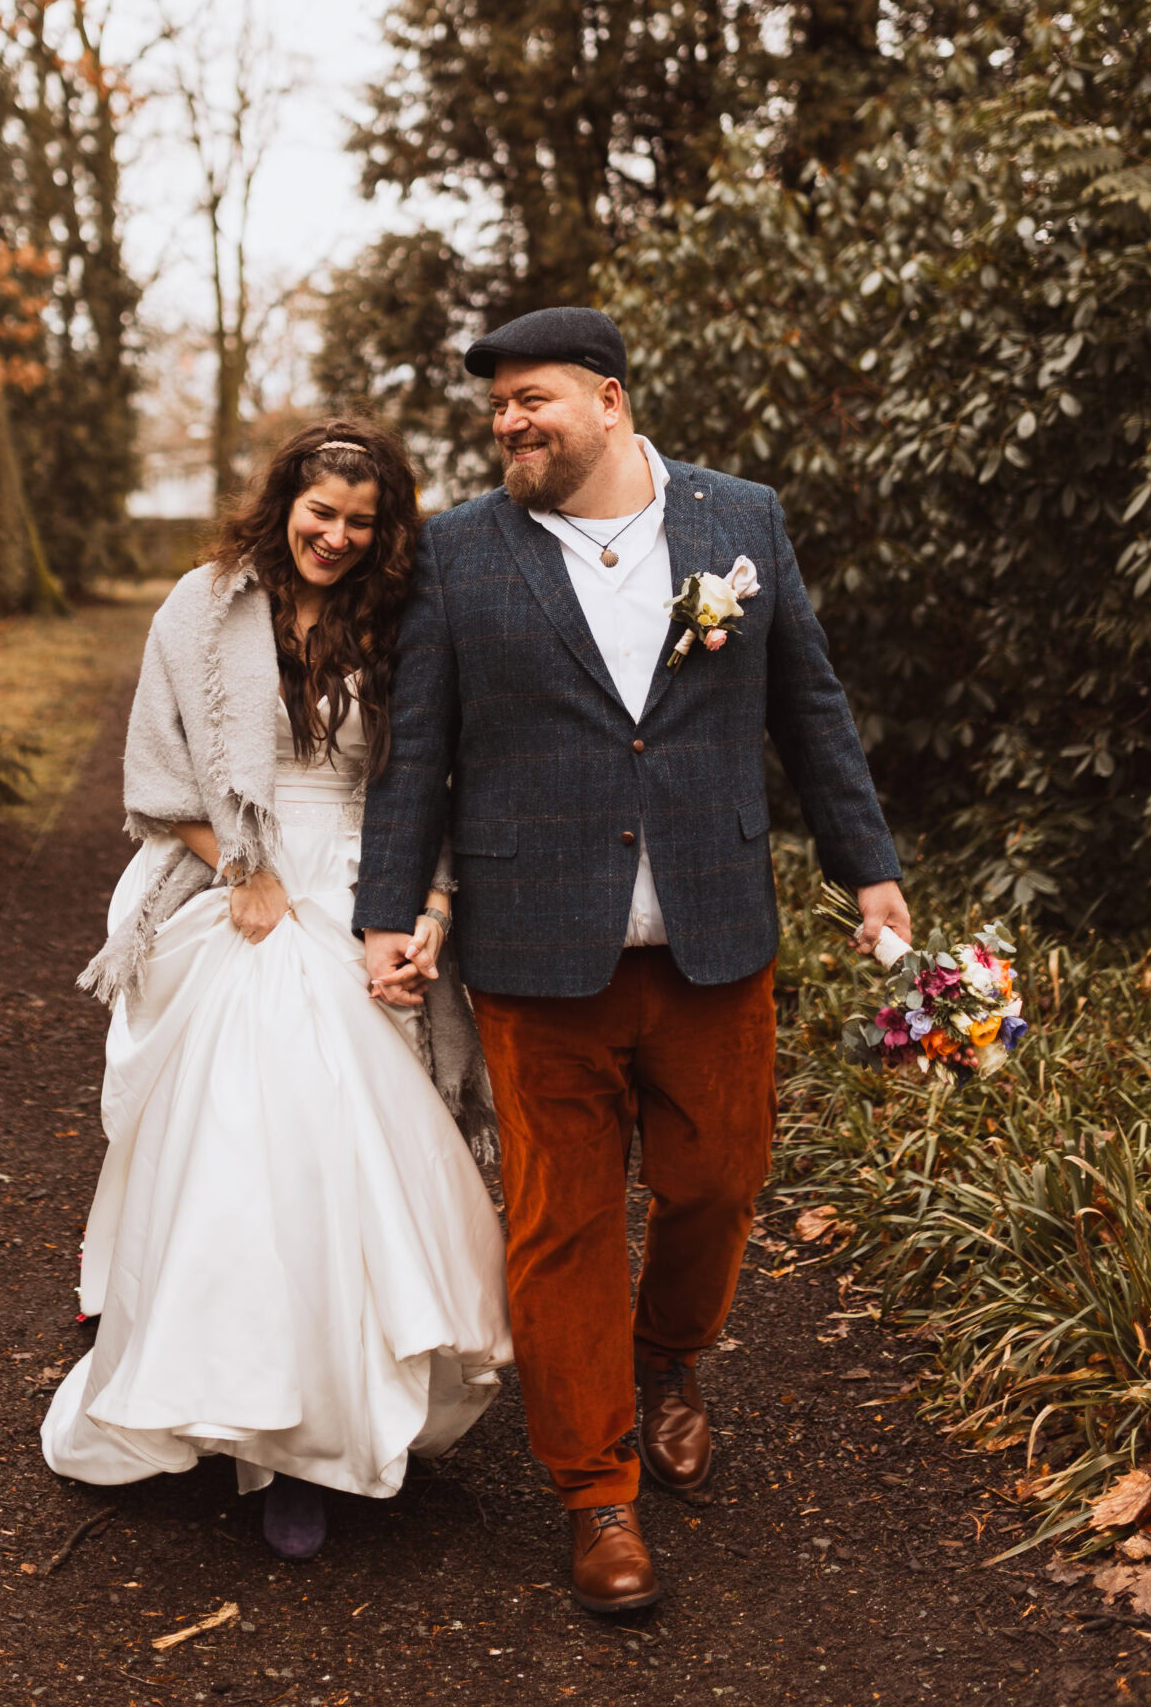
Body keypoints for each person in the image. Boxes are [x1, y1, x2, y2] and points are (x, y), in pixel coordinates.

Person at [354, 307, 910, 1615]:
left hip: (713, 937)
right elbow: (416, 746)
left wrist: (867, 870)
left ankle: (666, 1355)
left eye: (529, 398)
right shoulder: (456, 554)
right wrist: (390, 901)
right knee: (560, 1224)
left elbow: (808, 711)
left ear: (606, 399)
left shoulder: (739, 524)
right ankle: (592, 1491)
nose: (507, 423)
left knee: (717, 1184)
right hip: (536, 950)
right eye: (495, 406)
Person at [42, 420, 510, 1561]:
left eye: (361, 521)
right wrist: (242, 870)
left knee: (347, 1160)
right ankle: (233, 1412)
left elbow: (429, 786)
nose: (337, 537)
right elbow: (156, 780)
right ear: (284, 502)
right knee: (241, 1148)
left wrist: (425, 912)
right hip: (233, 882)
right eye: (320, 513)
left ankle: (315, 1441)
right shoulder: (200, 608)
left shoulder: (400, 625)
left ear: (384, 528)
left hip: (364, 884)